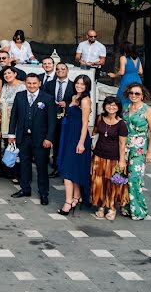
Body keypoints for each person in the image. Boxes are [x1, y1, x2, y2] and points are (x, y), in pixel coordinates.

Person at [8, 73, 56, 205]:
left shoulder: (47, 98)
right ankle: (25, 188)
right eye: (29, 83)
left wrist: (49, 138)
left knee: (41, 167)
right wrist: (11, 134)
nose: (32, 86)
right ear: (25, 83)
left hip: (40, 139)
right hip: (23, 137)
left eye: (34, 83)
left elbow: (52, 122)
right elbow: (14, 116)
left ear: (39, 83)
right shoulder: (20, 96)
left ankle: (43, 193)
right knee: (24, 164)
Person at [56, 74, 93, 215]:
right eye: (78, 83)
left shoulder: (85, 100)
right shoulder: (73, 98)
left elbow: (85, 124)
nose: (79, 86)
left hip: (78, 136)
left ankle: (68, 202)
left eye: (82, 84)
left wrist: (81, 142)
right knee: (74, 168)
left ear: (87, 86)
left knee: (68, 170)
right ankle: (77, 197)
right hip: (68, 134)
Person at [122, 83, 151, 220]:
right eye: (131, 93)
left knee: (135, 178)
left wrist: (150, 152)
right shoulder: (126, 108)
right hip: (125, 146)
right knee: (124, 177)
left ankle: (139, 210)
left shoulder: (147, 110)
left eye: (137, 93)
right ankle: (127, 206)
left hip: (139, 147)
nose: (134, 96)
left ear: (142, 95)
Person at [90, 96, 128, 220]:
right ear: (104, 106)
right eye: (108, 104)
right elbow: (94, 133)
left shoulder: (121, 124)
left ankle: (112, 207)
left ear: (118, 108)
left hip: (114, 158)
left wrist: (122, 161)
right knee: (99, 182)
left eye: (114, 105)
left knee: (113, 184)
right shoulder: (100, 118)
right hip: (99, 156)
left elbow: (122, 144)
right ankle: (100, 205)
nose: (111, 107)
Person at [0, 66, 25, 181]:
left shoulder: (22, 86)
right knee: (8, 146)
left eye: (9, 73)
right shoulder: (5, 86)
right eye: (5, 74)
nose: (7, 76)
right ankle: (9, 171)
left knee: (17, 147)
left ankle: (19, 174)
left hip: (17, 121)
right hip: (5, 121)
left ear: (15, 74)